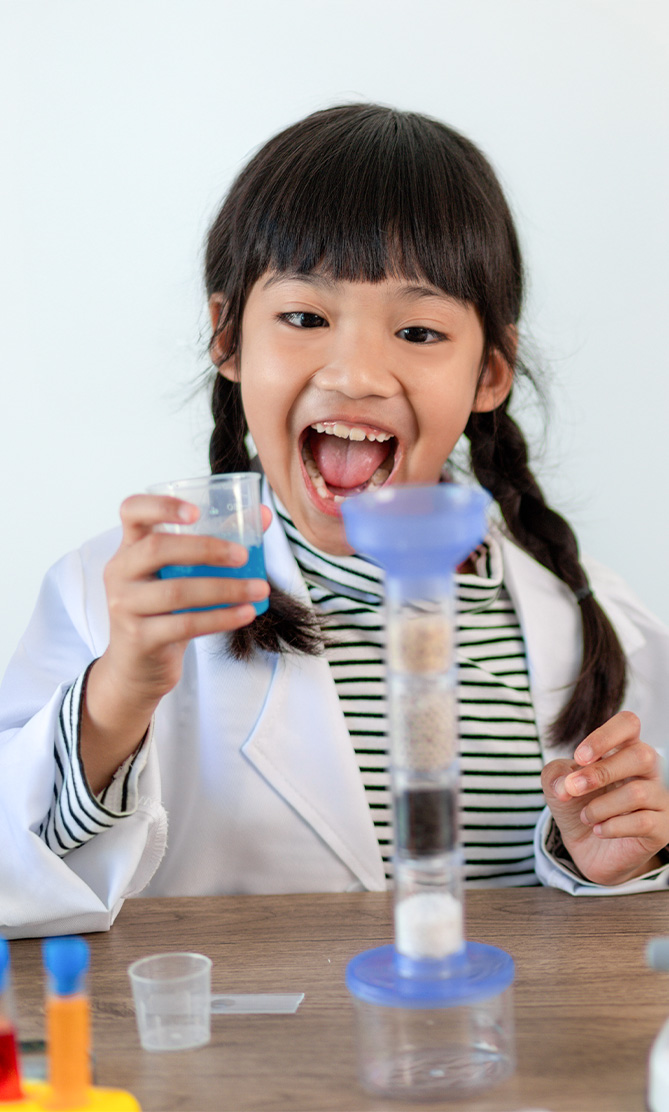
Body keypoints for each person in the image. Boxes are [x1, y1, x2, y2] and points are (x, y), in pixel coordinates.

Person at [2, 104, 669, 939]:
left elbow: (616, 923)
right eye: (305, 318)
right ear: (228, 337)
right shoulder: (121, 602)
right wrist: (118, 696)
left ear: (489, 372)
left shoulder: (594, 624)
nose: (355, 373)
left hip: (508, 1060)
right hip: (247, 1069)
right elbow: (12, 878)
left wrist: (608, 860)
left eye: (419, 330)